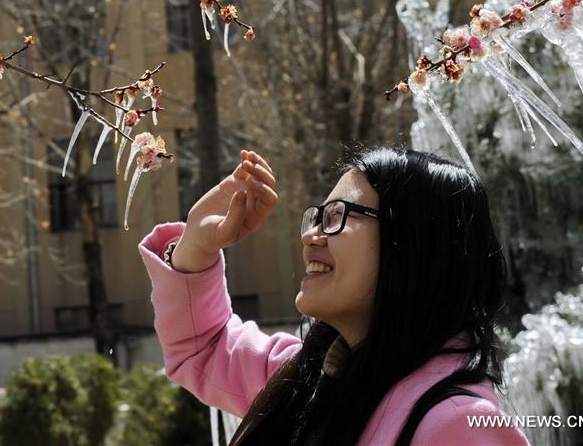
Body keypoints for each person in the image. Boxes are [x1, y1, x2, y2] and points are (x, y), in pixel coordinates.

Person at [137, 147, 529, 445]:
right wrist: (198, 244)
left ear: (412, 243)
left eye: (337, 215)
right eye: (317, 216)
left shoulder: (457, 424)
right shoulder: (305, 377)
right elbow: (204, 346)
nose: (310, 236)